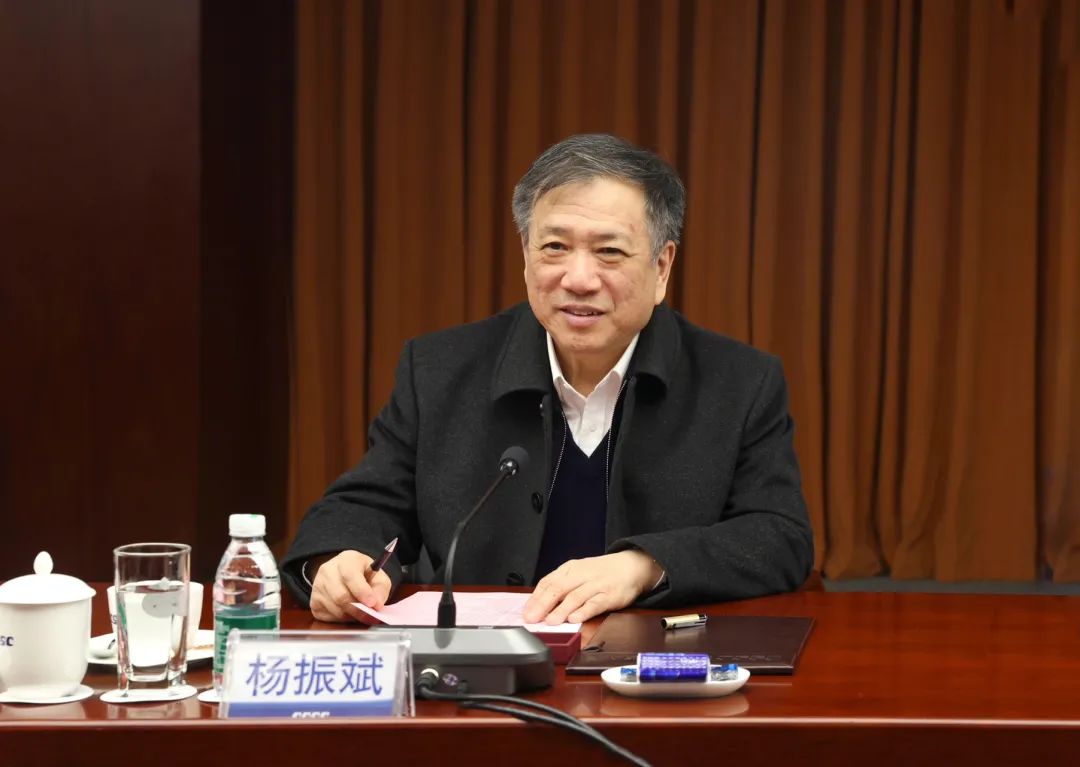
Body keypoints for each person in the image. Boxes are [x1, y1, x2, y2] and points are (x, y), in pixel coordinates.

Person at [282, 133, 814, 625]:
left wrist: (643, 566)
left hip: (655, 667)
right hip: (477, 668)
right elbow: (363, 506)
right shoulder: (440, 369)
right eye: (554, 247)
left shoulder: (739, 382)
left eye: (609, 251)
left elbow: (779, 537)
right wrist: (339, 562)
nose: (578, 279)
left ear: (661, 268)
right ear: (526, 255)